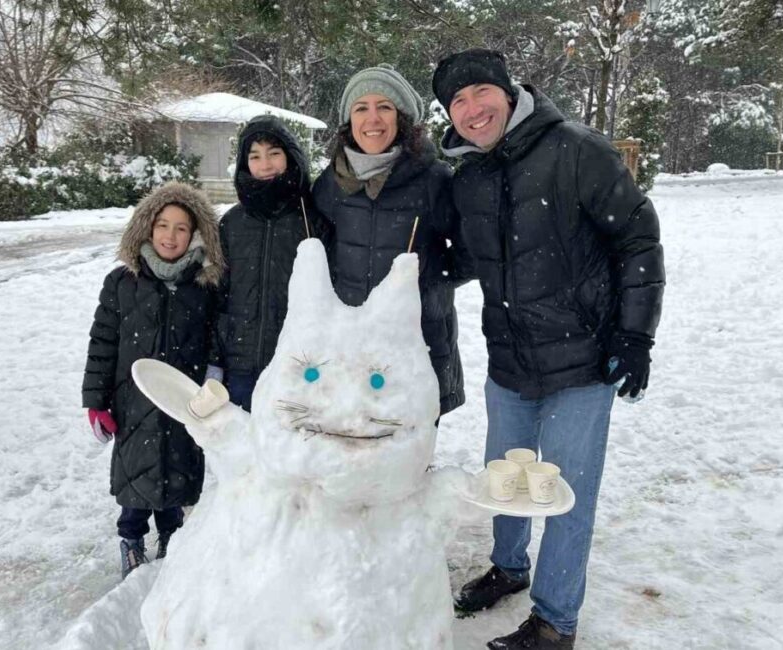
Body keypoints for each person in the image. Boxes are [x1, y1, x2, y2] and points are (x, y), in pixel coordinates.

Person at [432, 49, 664, 649]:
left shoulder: (576, 149)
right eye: (457, 101)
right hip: (509, 359)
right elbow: (470, 258)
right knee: (504, 479)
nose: (471, 109)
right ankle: (509, 567)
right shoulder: (469, 176)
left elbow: (637, 239)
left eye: (480, 92)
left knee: (564, 495)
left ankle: (556, 620)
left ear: (509, 93)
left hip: (582, 360)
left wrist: (635, 335)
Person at [81, 181, 224, 578]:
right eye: (163, 225)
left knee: (176, 472)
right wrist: (95, 400)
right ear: (147, 227)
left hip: (181, 400)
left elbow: (217, 338)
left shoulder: (204, 287)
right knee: (135, 475)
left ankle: (171, 538)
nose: (170, 236)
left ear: (195, 234)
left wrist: (213, 375)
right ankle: (130, 539)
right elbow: (103, 343)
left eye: (181, 227)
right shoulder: (122, 283)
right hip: (132, 402)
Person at [313, 64, 469, 417]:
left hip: (416, 339)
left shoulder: (433, 180)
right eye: (361, 108)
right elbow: (316, 251)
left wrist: (428, 279)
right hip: (351, 341)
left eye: (384, 107)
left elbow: (470, 251)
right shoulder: (330, 183)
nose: (373, 118)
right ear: (348, 121)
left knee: (409, 455)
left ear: (402, 118)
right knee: (352, 446)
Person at [215, 115, 328, 411]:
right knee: (242, 450)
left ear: (291, 157)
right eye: (255, 156)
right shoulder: (232, 223)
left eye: (274, 153)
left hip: (297, 366)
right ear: (244, 163)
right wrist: (217, 357)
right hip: (240, 365)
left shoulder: (311, 220)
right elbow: (218, 295)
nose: (265, 164)